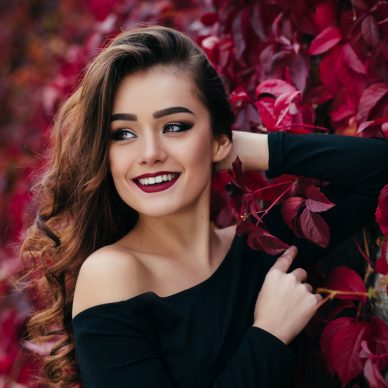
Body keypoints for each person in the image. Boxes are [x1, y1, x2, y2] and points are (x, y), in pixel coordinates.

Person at [18, 25, 388, 388]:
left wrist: (242, 147)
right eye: (123, 134)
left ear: (218, 140)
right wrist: (268, 336)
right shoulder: (114, 274)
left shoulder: (265, 247)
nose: (150, 154)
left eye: (175, 126)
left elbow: (379, 172)